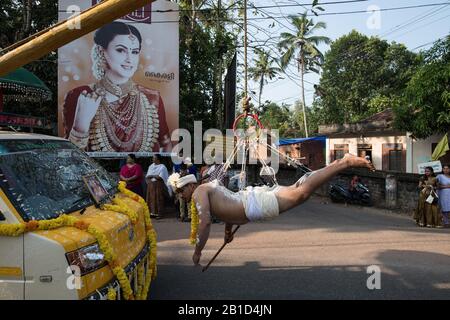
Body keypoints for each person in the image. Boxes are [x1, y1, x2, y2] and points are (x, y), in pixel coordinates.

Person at [168, 153, 375, 265]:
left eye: (180, 192)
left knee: (300, 194)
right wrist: (228, 230)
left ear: (188, 186)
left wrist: (197, 252)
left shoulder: (198, 193)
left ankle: (343, 163)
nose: (180, 197)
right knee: (297, 191)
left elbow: (204, 223)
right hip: (249, 201)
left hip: (252, 204)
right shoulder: (207, 188)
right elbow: (227, 204)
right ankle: (339, 163)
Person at [62, 21, 172, 153]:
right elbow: (70, 155)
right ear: (102, 51)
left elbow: (165, 145)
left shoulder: (151, 98)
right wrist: (80, 127)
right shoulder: (82, 95)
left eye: (135, 52)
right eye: (121, 50)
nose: (129, 59)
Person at [146, 154, 169, 219]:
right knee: (150, 199)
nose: (152, 159)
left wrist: (152, 175)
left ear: (158, 159)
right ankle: (152, 213)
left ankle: (159, 214)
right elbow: (147, 176)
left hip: (158, 185)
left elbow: (160, 177)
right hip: (151, 185)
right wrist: (153, 176)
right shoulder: (151, 166)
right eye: (153, 158)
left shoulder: (162, 167)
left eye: (154, 158)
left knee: (158, 199)